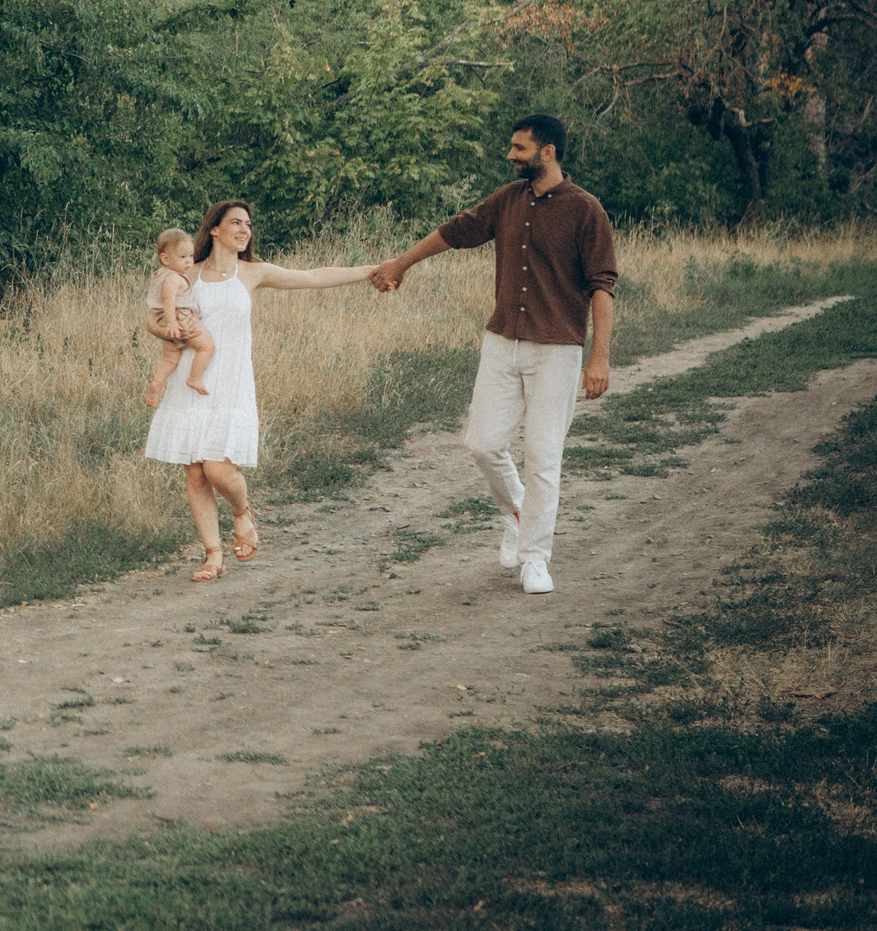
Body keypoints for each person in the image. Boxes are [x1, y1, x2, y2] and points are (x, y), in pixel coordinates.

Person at [369, 114, 617, 596]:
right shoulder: (507, 199)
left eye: (519, 149)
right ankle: (519, 513)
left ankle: (534, 558)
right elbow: (455, 232)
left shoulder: (587, 211)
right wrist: (402, 264)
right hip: (502, 341)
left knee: (543, 456)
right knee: (482, 443)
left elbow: (602, 288)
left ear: (547, 152)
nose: (511, 156)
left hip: (558, 350)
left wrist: (599, 358)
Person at [145, 200, 378, 581]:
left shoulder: (253, 274)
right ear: (214, 229)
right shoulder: (189, 273)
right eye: (235, 223)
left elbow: (315, 276)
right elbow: (154, 315)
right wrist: (166, 331)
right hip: (191, 378)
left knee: (219, 469)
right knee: (195, 473)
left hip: (231, 381)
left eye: (248, 225)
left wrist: (373, 270)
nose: (244, 230)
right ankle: (213, 555)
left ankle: (241, 511)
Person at [145, 228, 215, 405]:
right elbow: (168, 299)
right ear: (165, 259)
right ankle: (194, 377)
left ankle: (156, 385)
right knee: (207, 347)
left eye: (190, 256)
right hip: (180, 317)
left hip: (163, 318)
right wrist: (172, 323)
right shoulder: (173, 277)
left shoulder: (159, 275)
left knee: (170, 359)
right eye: (182, 257)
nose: (189, 261)